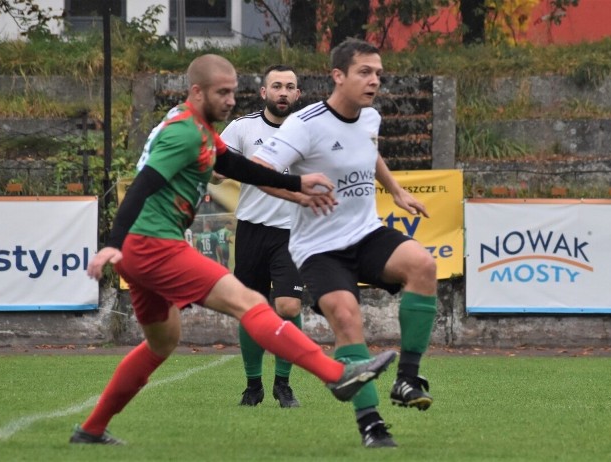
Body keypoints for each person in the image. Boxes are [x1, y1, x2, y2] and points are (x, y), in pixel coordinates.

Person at [69, 54, 396, 446]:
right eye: (221, 92)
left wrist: (296, 183)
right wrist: (111, 245)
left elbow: (242, 168)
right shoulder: (185, 133)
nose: (229, 100)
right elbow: (142, 186)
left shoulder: (201, 129)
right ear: (196, 91)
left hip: (145, 248)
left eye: (232, 92)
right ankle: (336, 375)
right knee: (249, 303)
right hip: (153, 244)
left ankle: (90, 429)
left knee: (162, 342)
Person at [252, 39, 438, 448]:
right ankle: (372, 425)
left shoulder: (370, 117)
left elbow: (368, 153)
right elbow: (259, 170)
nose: (374, 81)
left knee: (422, 265)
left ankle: (407, 379)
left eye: (378, 74)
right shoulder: (305, 123)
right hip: (319, 247)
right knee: (348, 317)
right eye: (365, 72)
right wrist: (298, 194)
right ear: (338, 76)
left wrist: (396, 190)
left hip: (365, 232)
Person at [220, 64, 306, 408]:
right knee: (251, 309)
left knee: (288, 305)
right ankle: (252, 385)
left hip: (293, 232)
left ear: (298, 94)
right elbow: (216, 166)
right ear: (264, 92)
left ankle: (282, 384)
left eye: (290, 87)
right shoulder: (242, 128)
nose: (283, 92)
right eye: (277, 86)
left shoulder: (310, 130)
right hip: (252, 230)